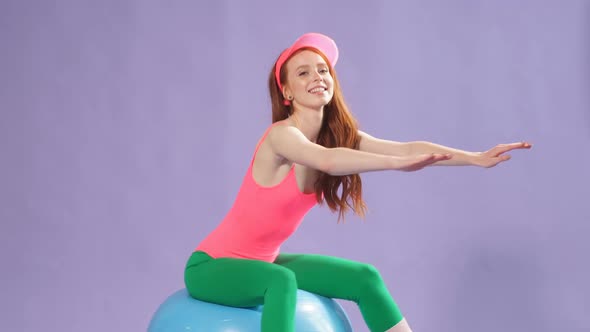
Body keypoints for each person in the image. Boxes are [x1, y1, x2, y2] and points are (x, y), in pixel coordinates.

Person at [184, 32, 532, 332]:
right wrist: (397, 165)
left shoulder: (338, 135)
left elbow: (409, 147)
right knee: (281, 281)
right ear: (286, 90)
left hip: (263, 261)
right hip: (211, 266)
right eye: (303, 72)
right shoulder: (281, 137)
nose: (317, 77)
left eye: (323, 70)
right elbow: (327, 161)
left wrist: (475, 157)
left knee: (364, 277)